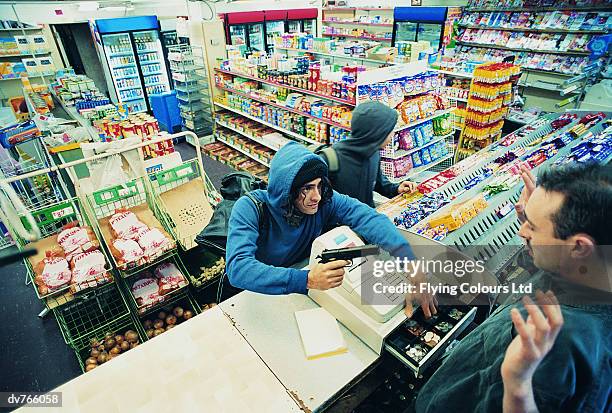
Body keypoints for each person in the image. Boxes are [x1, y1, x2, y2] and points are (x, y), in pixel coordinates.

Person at [415, 163, 611, 412]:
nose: (520, 231)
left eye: (531, 225)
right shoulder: (589, 269)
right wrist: (537, 228)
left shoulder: (564, 345)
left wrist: (517, 387)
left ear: (579, 247)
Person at [225, 141, 437, 317]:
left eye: (318, 185)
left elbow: (370, 218)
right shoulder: (250, 208)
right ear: (286, 191)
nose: (316, 196)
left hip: (304, 292)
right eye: (306, 188)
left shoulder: (324, 201)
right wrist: (306, 279)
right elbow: (238, 269)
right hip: (262, 293)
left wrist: (411, 264)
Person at [319, 101, 418, 207]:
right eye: (390, 130)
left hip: (366, 218)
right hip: (342, 222)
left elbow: (379, 182)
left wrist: (396, 188)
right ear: (377, 134)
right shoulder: (329, 159)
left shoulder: (373, 152)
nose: (393, 134)